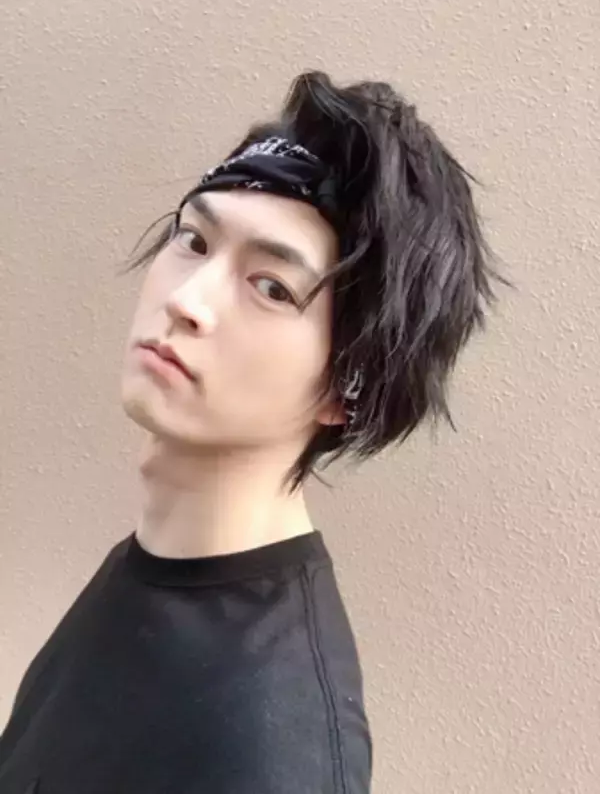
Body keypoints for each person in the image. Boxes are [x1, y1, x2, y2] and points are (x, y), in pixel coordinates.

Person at [0, 70, 500, 793]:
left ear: (347, 387)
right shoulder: (153, 563)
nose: (188, 298)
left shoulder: (274, 749)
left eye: (272, 287)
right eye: (195, 240)